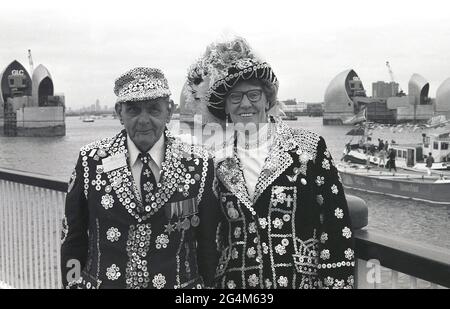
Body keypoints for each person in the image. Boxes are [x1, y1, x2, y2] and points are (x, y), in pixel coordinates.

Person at [186, 37, 355, 289]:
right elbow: (210, 235)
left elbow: (335, 224)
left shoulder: (308, 148)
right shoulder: (215, 159)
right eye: (235, 97)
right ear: (225, 107)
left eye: (253, 94)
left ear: (268, 99)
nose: (245, 103)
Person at [60, 67, 217, 289]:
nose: (143, 120)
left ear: (169, 111)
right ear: (119, 112)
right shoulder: (91, 161)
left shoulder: (198, 163)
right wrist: (71, 285)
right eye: (133, 110)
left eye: (154, 110)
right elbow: (73, 239)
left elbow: (209, 245)